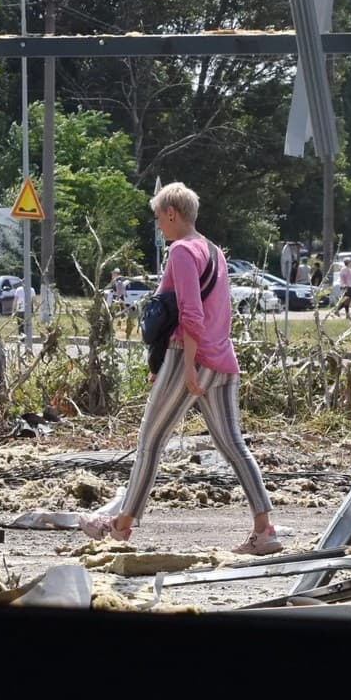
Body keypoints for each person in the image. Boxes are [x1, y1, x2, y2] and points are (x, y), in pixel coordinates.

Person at [78, 182, 282, 555]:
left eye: (159, 219)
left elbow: (191, 314)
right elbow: (220, 312)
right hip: (223, 360)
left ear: (172, 213)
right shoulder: (215, 252)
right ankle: (264, 530)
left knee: (150, 442)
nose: (159, 227)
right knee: (235, 446)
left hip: (189, 358)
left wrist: (185, 368)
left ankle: (120, 526)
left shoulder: (182, 252)